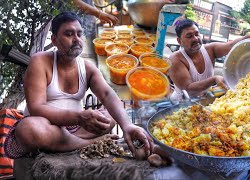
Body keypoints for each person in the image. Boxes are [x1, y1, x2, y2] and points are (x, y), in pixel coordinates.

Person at [4, 12, 153, 159]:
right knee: (28, 129)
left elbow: (107, 95)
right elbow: (37, 108)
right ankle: (87, 143)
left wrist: (127, 125)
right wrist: (79, 117)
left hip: (77, 130)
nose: (76, 39)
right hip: (47, 128)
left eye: (79, 34)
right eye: (69, 34)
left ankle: (71, 143)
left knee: (111, 114)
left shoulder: (87, 68)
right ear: (54, 40)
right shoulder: (40, 61)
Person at [169, 19, 250, 100]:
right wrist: (213, 79)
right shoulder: (175, 59)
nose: (195, 38)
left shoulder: (210, 49)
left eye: (196, 34)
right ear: (179, 41)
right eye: (189, 36)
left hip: (203, 101)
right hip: (180, 105)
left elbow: (231, 45)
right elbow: (188, 89)